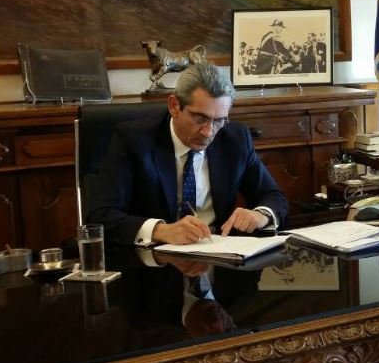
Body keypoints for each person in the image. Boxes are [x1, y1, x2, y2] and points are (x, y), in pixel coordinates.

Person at [86, 61, 288, 247]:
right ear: (174, 106)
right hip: (155, 260)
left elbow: (272, 196)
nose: (208, 132)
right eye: (200, 118)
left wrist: (261, 215)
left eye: (219, 121)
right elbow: (100, 215)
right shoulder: (134, 141)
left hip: (219, 255)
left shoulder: (235, 139)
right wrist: (162, 231)